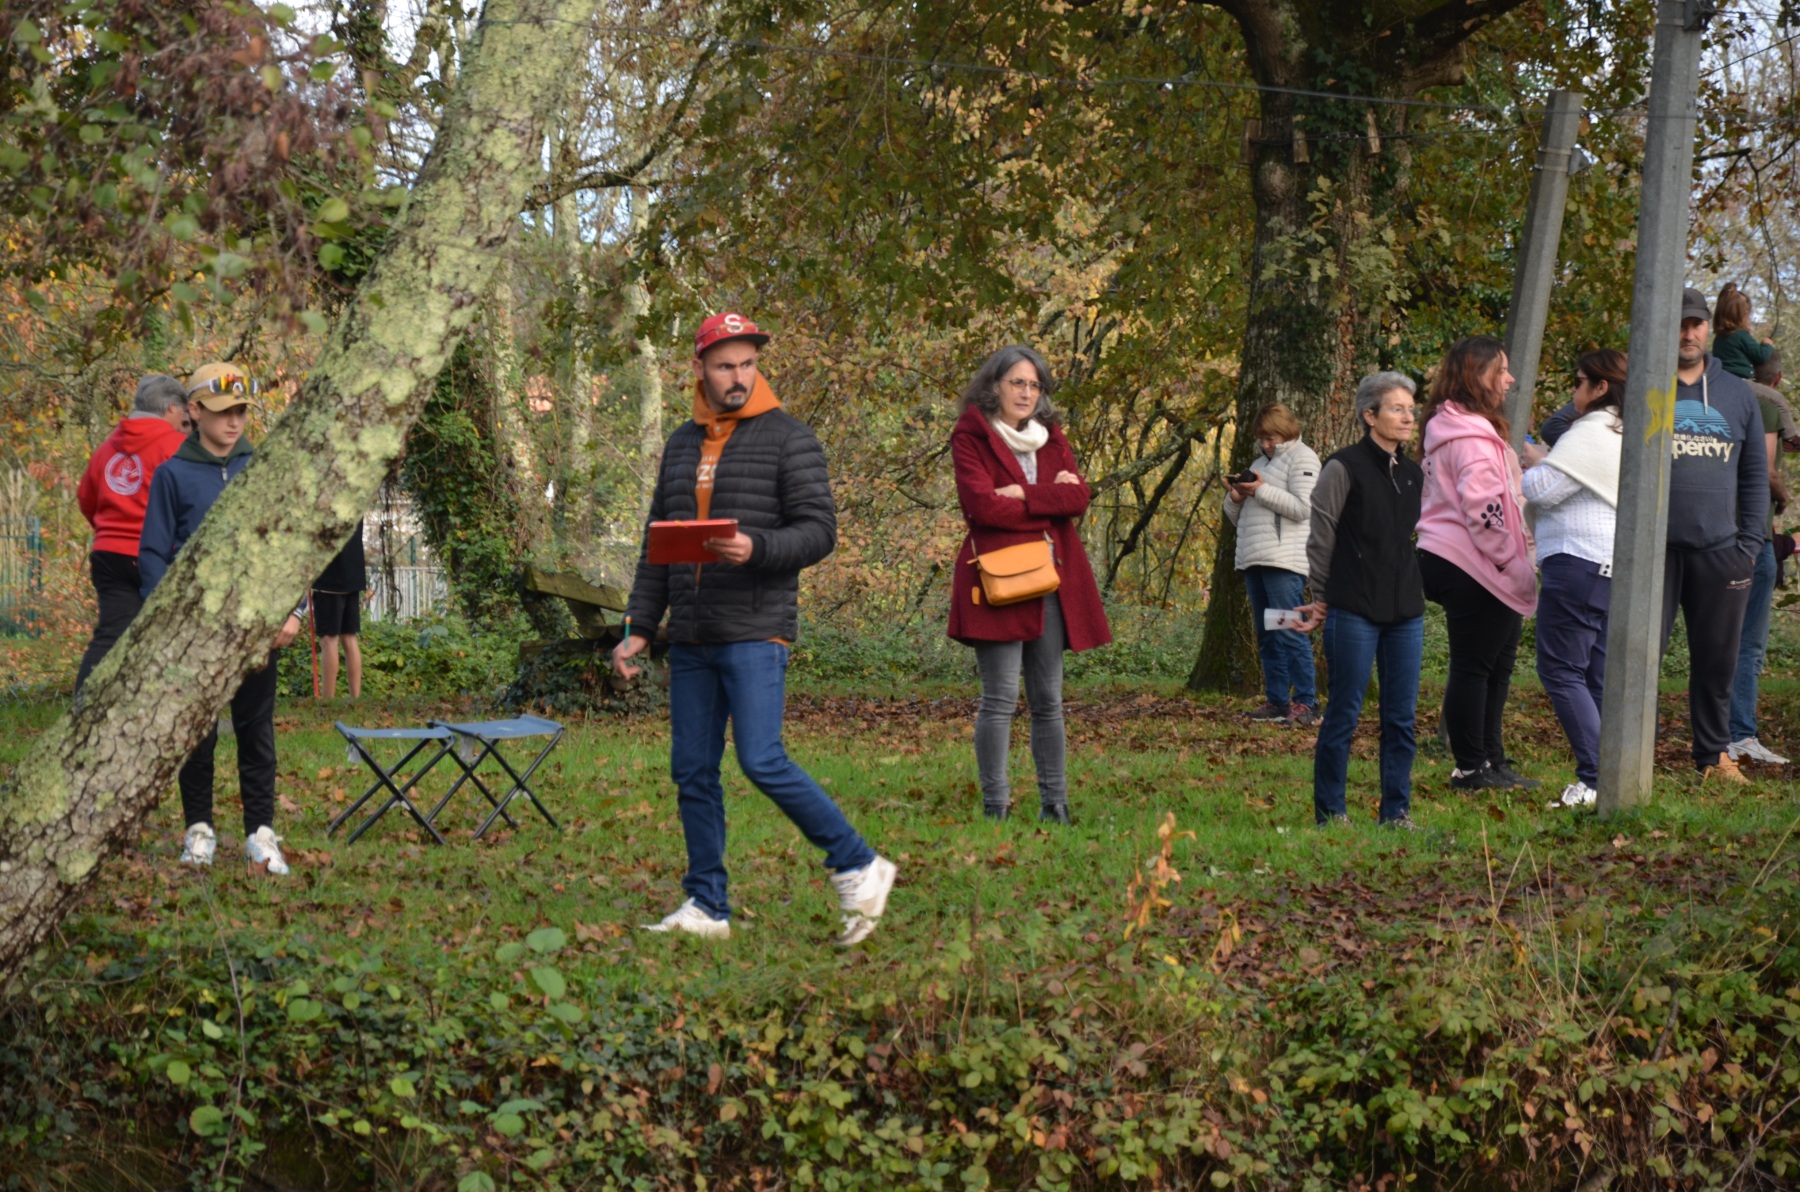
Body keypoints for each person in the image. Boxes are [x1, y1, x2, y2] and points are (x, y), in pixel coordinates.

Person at [613, 313, 896, 945]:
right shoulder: (681, 444)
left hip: (755, 627)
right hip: (691, 634)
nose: (737, 377)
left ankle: (858, 863)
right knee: (692, 769)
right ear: (699, 369)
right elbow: (656, 546)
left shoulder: (790, 438)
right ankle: (707, 905)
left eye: (747, 364)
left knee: (762, 758)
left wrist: (756, 547)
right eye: (724, 366)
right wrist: (638, 626)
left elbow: (819, 531)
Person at [140, 363, 304, 874]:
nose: (234, 422)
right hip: (196, 633)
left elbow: (291, 546)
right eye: (222, 412)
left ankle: (261, 834)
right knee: (198, 735)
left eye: (240, 412)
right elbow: (152, 553)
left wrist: (294, 609)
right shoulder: (171, 475)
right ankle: (199, 831)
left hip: (256, 628)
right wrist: (163, 620)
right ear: (193, 411)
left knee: (256, 732)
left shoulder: (265, 470)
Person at [948, 346, 1112, 824]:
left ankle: (1055, 805)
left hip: (1052, 577)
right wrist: (1049, 500)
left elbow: (1078, 498)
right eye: (1017, 382)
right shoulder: (971, 435)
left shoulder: (1050, 435)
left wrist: (1023, 492)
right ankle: (996, 805)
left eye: (1034, 384)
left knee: (1049, 701)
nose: (1026, 392)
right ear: (994, 385)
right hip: (999, 578)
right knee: (1000, 699)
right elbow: (982, 507)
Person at [1293, 372, 1425, 830]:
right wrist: (1321, 596)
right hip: (1353, 606)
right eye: (1397, 409)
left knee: (1401, 717)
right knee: (1344, 713)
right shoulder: (1342, 466)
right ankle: (1332, 813)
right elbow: (1321, 535)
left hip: (1406, 610)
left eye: (1411, 409)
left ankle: (1396, 813)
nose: (1407, 417)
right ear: (1370, 415)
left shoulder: (1413, 473)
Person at [1415, 337, 1539, 791]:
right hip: (1471, 563)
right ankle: (1470, 768)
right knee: (1475, 667)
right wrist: (1511, 562)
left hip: (1463, 559)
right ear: (1476, 375)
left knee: (1496, 667)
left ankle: (1491, 760)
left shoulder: (1460, 429)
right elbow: (1484, 511)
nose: (1509, 379)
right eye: (1501, 370)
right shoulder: (1468, 437)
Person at [1664, 287, 1769, 783]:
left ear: (1708, 328)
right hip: (1654, 553)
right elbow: (1569, 423)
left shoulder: (1738, 394)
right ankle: (1620, 751)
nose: (1688, 333)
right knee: (1636, 655)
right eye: (1680, 324)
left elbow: (1754, 477)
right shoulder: (1644, 385)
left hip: (1721, 551)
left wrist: (1747, 548)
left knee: (1717, 663)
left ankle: (1712, 757)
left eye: (1695, 324)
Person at [1520, 350, 1626, 808]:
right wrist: (1550, 458)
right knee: (1595, 675)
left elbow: (1543, 488)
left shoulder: (1593, 429)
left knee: (1560, 670)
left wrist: (1536, 463)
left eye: (1580, 381)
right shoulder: (1625, 428)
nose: (1573, 389)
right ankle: (1612, 778)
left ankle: (1594, 778)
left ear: (1601, 387)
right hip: (1607, 565)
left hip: (1577, 561)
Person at [74, 375, 191, 690]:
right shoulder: (176, 447)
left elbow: (86, 498)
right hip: (156, 556)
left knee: (110, 635)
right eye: (184, 414)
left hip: (108, 554)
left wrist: (110, 530)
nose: (185, 422)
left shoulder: (107, 448)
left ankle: (85, 705)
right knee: (167, 637)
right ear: (171, 408)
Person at [1223, 403, 1321, 726]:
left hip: (1283, 561)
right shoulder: (1258, 464)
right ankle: (1277, 701)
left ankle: (1307, 702)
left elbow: (1303, 508)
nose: (1265, 444)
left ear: (1286, 431)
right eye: (1261, 438)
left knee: (1290, 630)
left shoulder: (1303, 458)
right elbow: (1237, 518)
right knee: (1268, 634)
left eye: (1271, 437)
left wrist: (1261, 490)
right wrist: (1236, 496)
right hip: (1255, 559)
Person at [1727, 352, 1788, 765]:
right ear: (1777, 378)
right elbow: (1766, 472)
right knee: (1747, 644)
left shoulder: (1712, 402)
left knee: (1717, 641)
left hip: (1714, 536)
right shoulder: (1766, 404)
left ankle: (1719, 734)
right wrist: (1784, 496)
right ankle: (1739, 735)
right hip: (1751, 540)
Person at [312, 519, 366, 699]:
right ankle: (355, 698)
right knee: (349, 637)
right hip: (353, 574)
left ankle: (328, 701)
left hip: (330, 576)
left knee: (329, 639)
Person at [1711, 283, 1776, 381]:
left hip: (1722, 379)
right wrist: (1767, 345)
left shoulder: (1719, 338)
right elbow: (1760, 355)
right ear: (1744, 314)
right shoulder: (1741, 335)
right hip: (1741, 380)